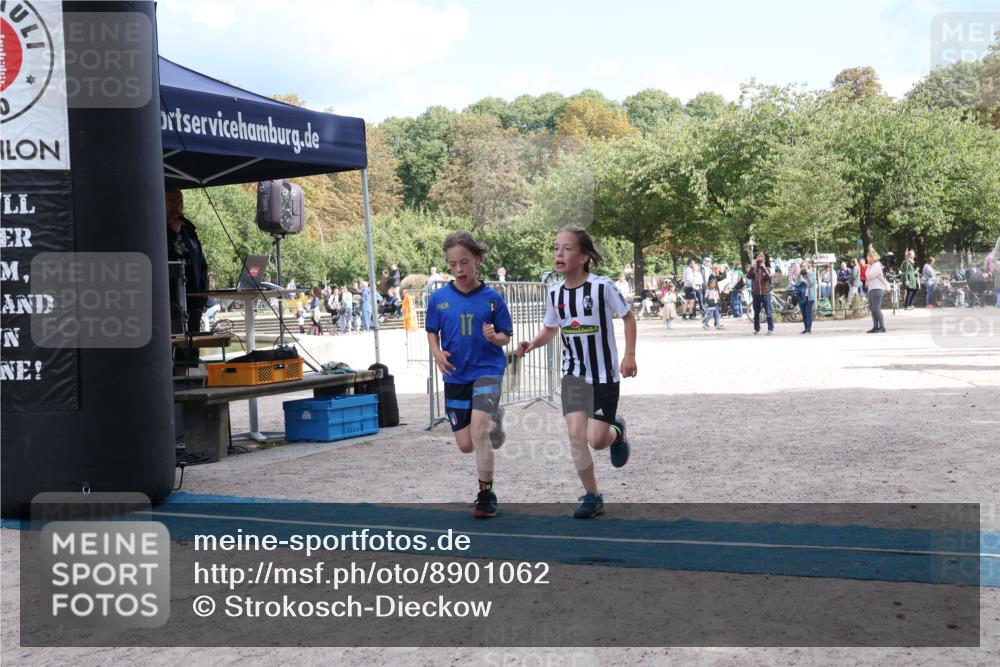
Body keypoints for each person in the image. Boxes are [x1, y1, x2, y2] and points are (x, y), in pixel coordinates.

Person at [517, 226, 637, 520]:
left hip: (604, 376)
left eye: (567, 248)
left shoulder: (602, 287)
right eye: (556, 248)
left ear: (583, 257)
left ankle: (616, 431)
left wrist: (629, 355)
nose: (559, 253)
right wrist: (532, 343)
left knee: (596, 440)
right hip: (573, 375)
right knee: (575, 436)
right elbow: (550, 328)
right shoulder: (555, 292)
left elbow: (628, 317)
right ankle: (593, 496)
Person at [425, 231, 513, 519]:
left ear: (477, 258)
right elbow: (431, 331)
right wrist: (436, 353)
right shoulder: (438, 298)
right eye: (453, 265)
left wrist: (493, 337)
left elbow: (505, 338)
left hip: (487, 372)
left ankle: (486, 494)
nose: (459, 270)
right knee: (466, 445)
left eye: (464, 262)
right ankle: (493, 422)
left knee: (478, 432)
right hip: (455, 377)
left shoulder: (492, 299)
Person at [165, 188, 209, 335]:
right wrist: (172, 232)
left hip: (193, 304)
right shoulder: (156, 232)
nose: (176, 207)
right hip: (169, 305)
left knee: (192, 349)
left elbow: (202, 266)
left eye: (180, 203)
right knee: (174, 349)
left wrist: (202, 299)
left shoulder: (190, 233)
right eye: (171, 202)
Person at [747, 252, 774, 335]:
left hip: (765, 293)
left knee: (768, 312)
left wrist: (764, 268)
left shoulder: (767, 269)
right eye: (758, 260)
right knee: (756, 313)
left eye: (761, 260)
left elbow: (769, 277)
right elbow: (748, 276)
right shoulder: (754, 270)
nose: (759, 262)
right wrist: (752, 267)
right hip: (756, 294)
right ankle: (756, 329)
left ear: (764, 261)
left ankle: (770, 329)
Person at [865, 249, 889, 333]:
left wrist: (867, 268)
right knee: (872, 308)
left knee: (876, 308)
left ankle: (882, 327)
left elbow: (870, 276)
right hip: (872, 289)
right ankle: (875, 327)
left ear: (872, 257)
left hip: (878, 289)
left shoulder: (877, 265)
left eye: (868, 257)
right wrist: (868, 268)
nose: (867, 258)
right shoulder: (872, 266)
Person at [798, 262, 817, 334]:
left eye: (805, 266)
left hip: (809, 296)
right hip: (802, 296)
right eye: (802, 266)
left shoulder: (812, 273)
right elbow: (797, 283)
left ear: (808, 266)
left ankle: (809, 329)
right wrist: (798, 275)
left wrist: (807, 275)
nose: (804, 267)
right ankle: (806, 328)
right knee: (804, 313)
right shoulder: (800, 274)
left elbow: (811, 283)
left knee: (808, 312)